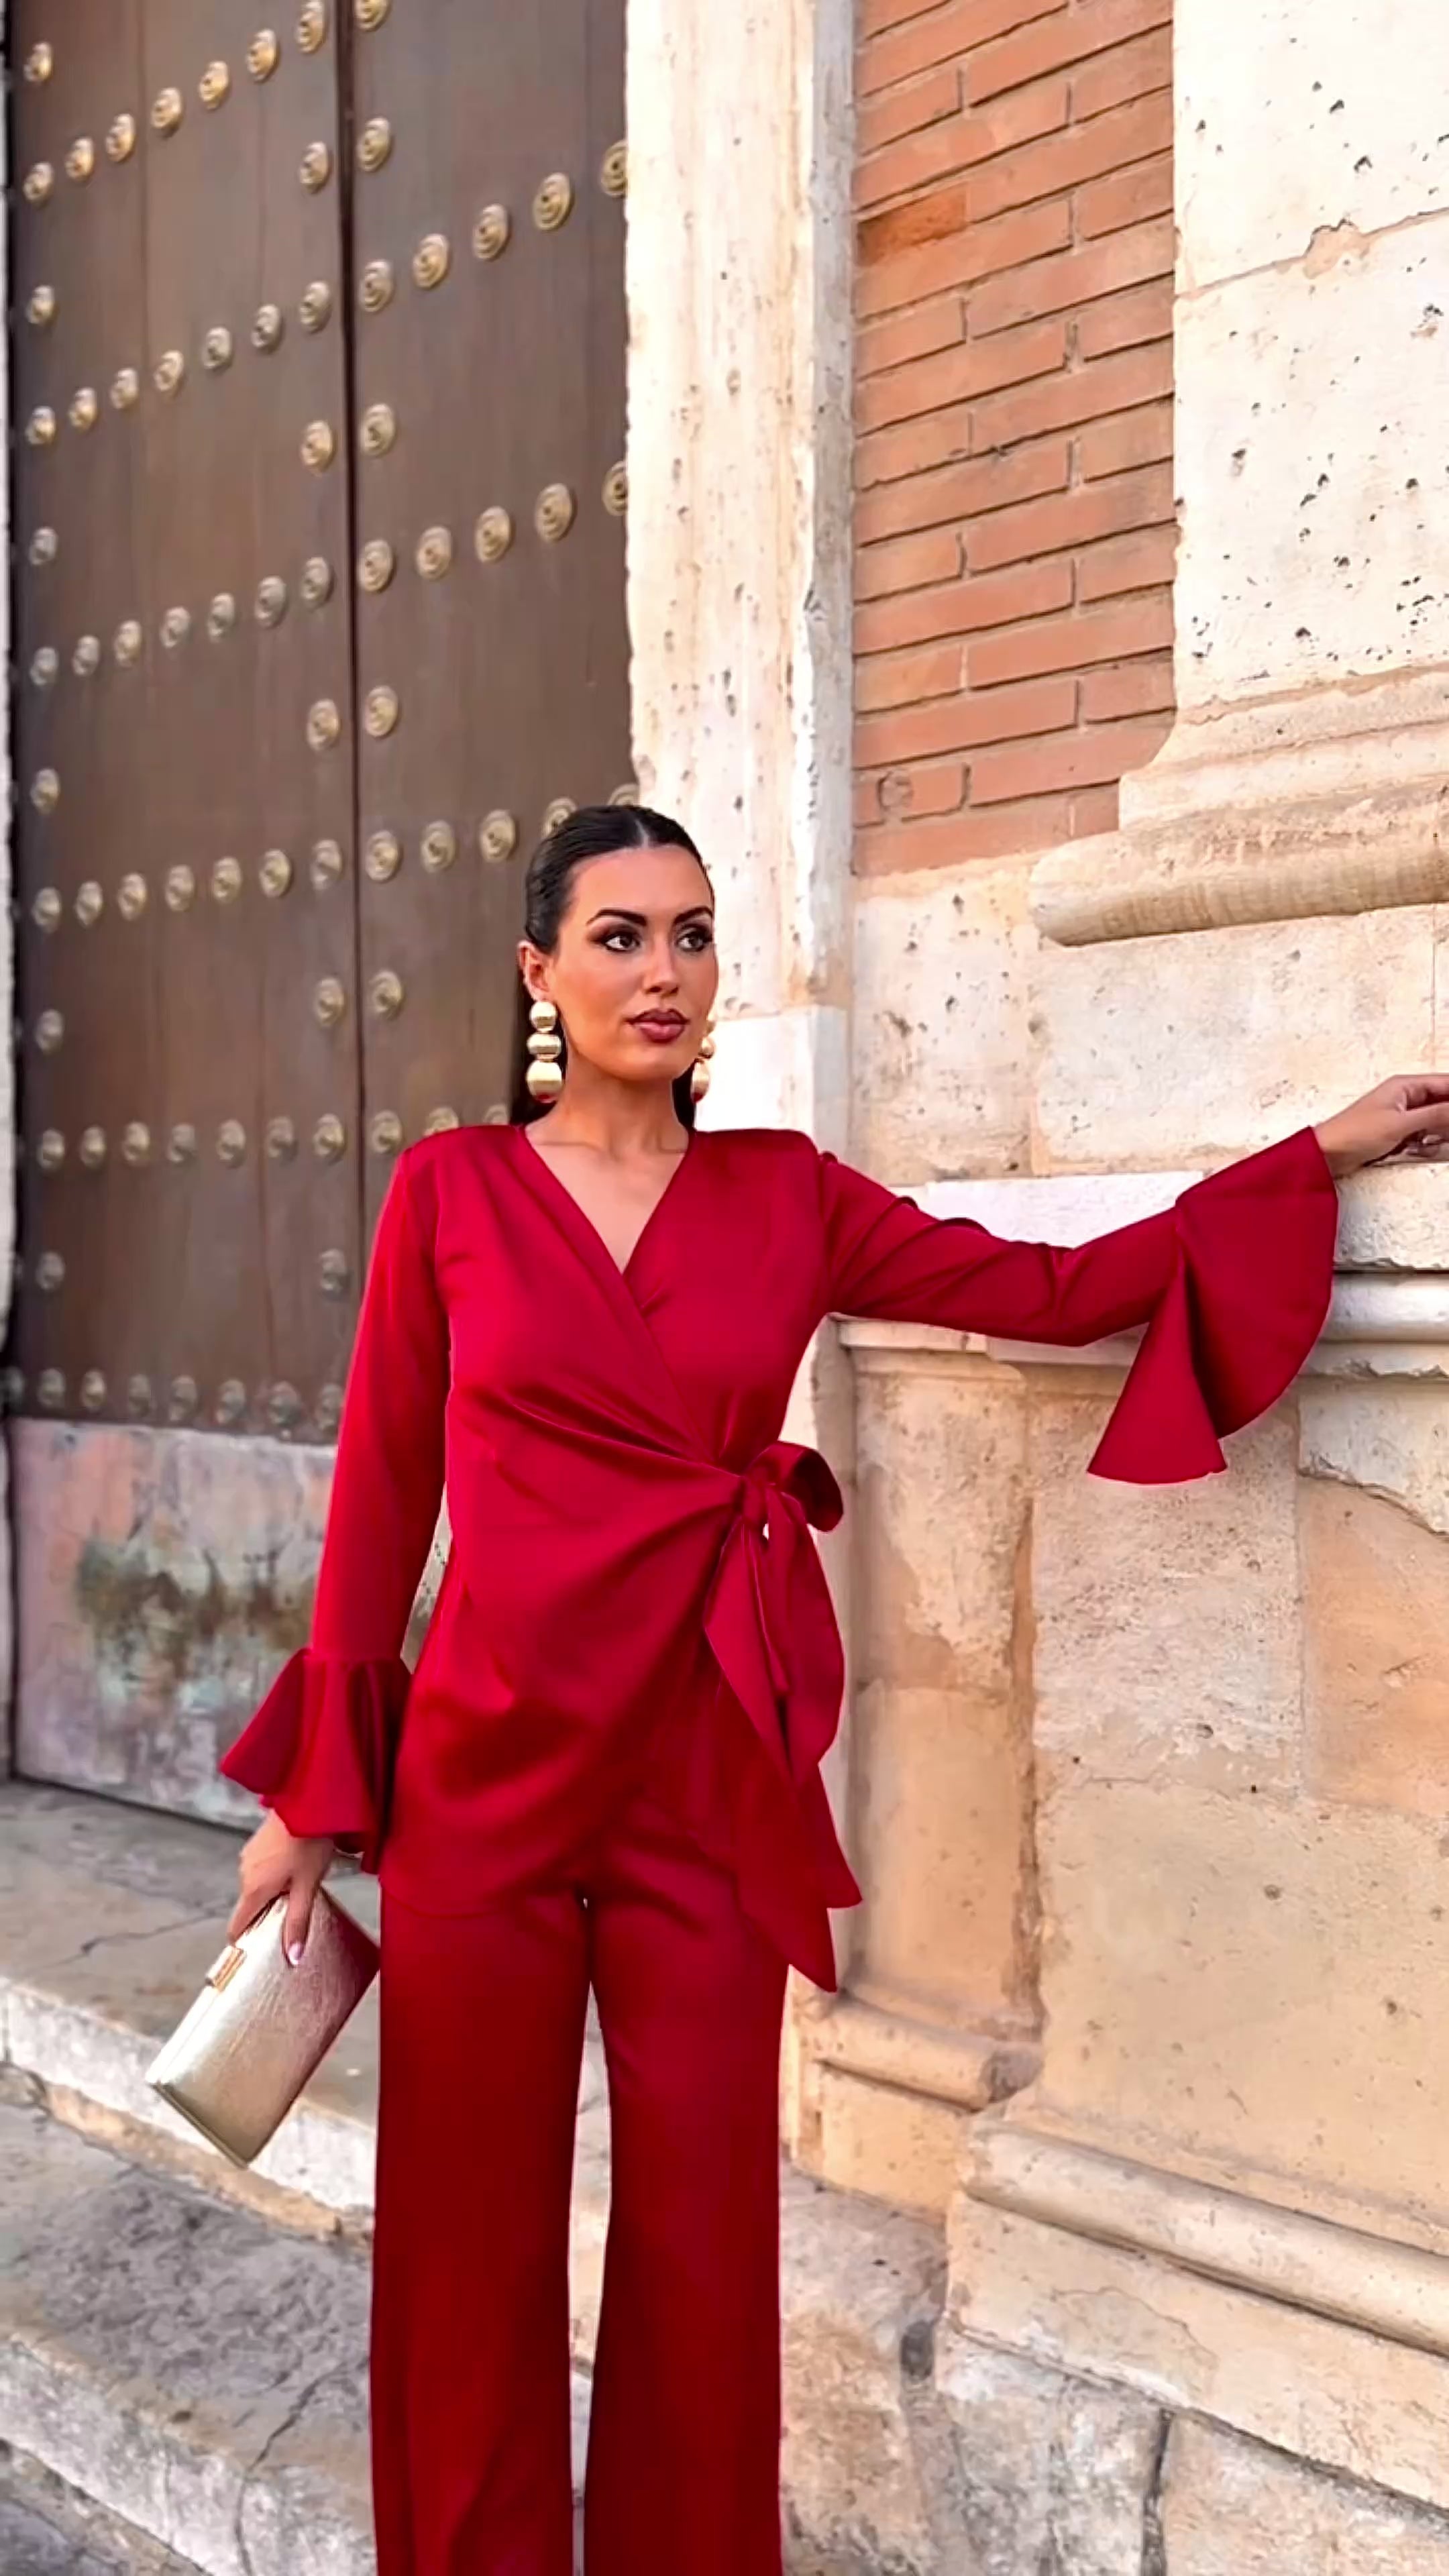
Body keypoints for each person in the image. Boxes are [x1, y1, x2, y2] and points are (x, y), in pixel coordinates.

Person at [219, 803, 1449, 2576]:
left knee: (706, 2256)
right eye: (621, 935)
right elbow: (382, 1493)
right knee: (462, 2252)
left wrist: (1304, 1160)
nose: (663, 971)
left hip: (705, 1787)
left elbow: (1056, 1290)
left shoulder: (787, 1193)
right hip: (484, 1785)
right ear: (539, 970)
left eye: (693, 934)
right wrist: (313, 1804)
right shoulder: (452, 1194)